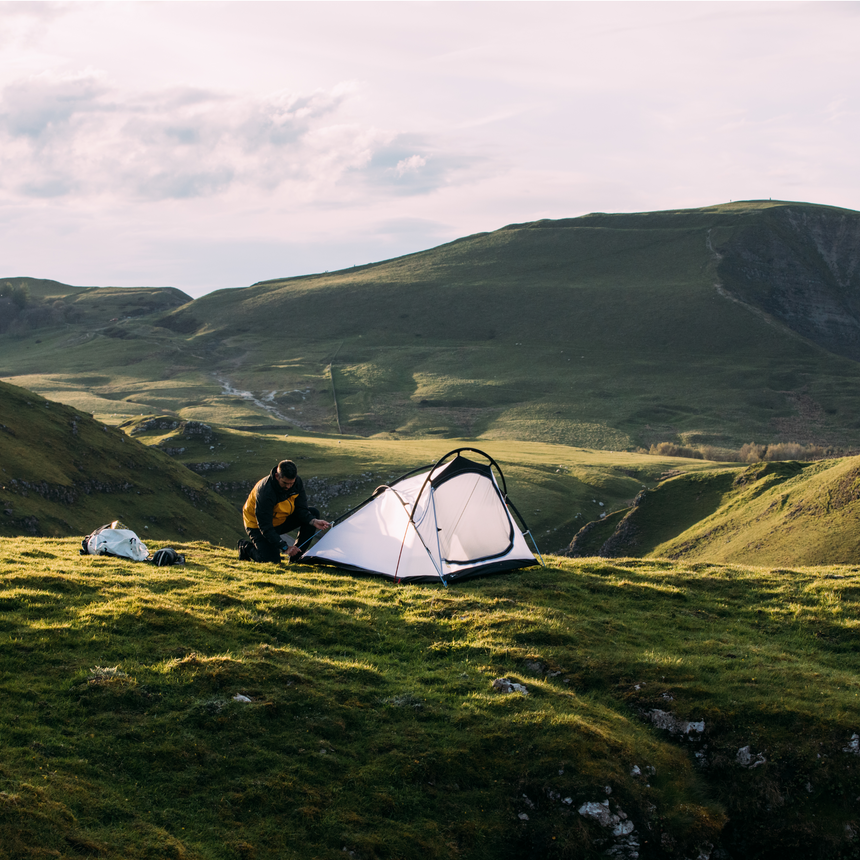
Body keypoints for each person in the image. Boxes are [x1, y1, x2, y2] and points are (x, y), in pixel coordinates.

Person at [239, 459, 331, 563]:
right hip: (257, 525)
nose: (288, 486)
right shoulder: (265, 492)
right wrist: (285, 547)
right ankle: (245, 547)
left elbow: (301, 508)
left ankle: (296, 558)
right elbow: (265, 526)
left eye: (291, 483)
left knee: (313, 513)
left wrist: (313, 521)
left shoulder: (297, 482)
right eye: (285, 483)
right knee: (271, 561)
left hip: (280, 519)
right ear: (277, 476)